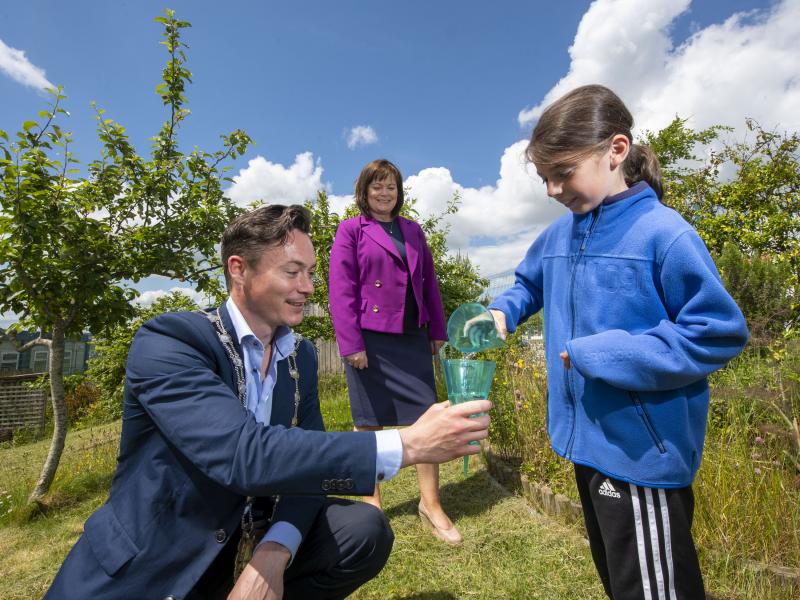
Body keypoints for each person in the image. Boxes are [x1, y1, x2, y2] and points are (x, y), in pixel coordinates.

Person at [46, 204, 490, 600]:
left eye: (312, 273)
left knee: (364, 530)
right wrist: (407, 444)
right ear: (239, 269)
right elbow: (242, 454)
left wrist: (275, 551)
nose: (309, 287)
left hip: (248, 541)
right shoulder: (172, 341)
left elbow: (309, 468)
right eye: (293, 272)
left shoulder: (302, 356)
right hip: (159, 558)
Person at [485, 85, 748, 599]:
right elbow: (529, 283)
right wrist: (503, 311)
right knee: (623, 580)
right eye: (545, 178)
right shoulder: (559, 236)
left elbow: (717, 331)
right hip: (588, 444)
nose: (552, 191)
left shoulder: (662, 234)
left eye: (563, 173)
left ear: (617, 150)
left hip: (640, 454)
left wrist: (601, 354)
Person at [328, 159, 461, 545]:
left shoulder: (413, 231)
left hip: (411, 337)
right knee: (368, 422)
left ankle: (430, 504)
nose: (385, 193)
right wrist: (351, 344)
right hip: (369, 340)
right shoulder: (351, 230)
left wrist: (437, 330)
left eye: (391, 187)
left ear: (399, 193)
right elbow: (341, 290)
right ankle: (372, 507)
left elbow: (430, 284)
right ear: (364, 192)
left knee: (426, 419)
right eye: (377, 186)